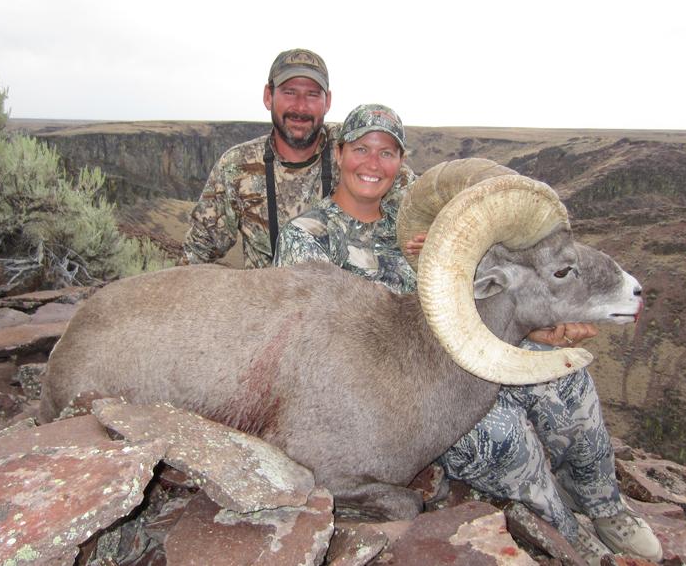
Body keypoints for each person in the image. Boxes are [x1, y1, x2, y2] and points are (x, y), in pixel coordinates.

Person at [275, 103, 663, 566]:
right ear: (338, 154)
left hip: (463, 352)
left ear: (400, 161)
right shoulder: (307, 236)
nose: (373, 164)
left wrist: (543, 325)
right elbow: (308, 341)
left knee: (567, 378)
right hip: (390, 394)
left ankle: (605, 507)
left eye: (387, 152)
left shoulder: (427, 221)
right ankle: (563, 532)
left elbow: (503, 286)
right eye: (361, 149)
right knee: (501, 433)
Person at [181, 48, 415, 268]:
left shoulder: (356, 153)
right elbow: (197, 254)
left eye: (312, 95)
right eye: (289, 92)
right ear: (268, 96)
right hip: (271, 305)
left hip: (354, 302)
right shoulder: (236, 167)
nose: (301, 107)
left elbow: (419, 208)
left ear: (328, 102)